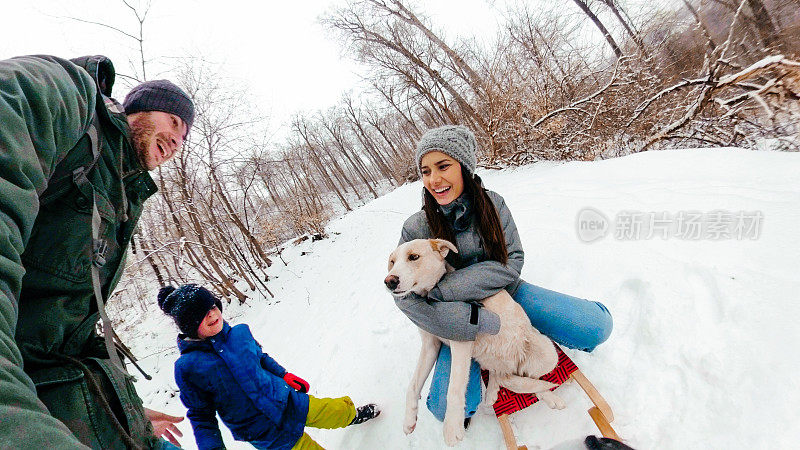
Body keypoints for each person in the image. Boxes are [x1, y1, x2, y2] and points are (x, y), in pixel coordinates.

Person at [0, 54, 194, 449]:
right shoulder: (68, 93)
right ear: (139, 107)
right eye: (174, 122)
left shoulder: (123, 193)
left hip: (93, 415)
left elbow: (69, 327)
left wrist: (124, 405)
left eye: (183, 137)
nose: (176, 141)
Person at [394, 125, 614, 422]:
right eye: (425, 170)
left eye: (443, 166)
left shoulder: (492, 203)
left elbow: (512, 261)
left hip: (509, 294)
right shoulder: (416, 228)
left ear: (464, 167)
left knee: (597, 327)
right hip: (456, 318)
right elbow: (406, 298)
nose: (434, 179)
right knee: (444, 410)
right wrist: (462, 321)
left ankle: (535, 334)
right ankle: (484, 364)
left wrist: (447, 289)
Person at [158, 284, 381, 449]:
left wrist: (284, 375)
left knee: (330, 410)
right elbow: (201, 415)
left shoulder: (240, 334)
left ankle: (351, 415)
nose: (211, 315)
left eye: (212, 307)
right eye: (201, 315)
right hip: (262, 430)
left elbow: (261, 358)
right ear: (188, 325)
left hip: (286, 400)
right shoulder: (188, 368)